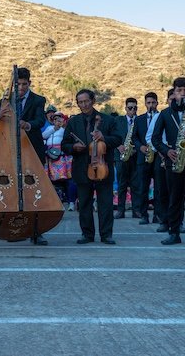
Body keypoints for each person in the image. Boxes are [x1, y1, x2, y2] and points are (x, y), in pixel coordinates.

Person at [0, 67, 49, 245]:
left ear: (30, 83)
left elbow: (40, 120)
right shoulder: (7, 99)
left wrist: (28, 124)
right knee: (12, 191)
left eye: (24, 84)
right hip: (11, 152)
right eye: (18, 84)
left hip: (32, 149)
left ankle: (37, 232)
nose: (21, 88)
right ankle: (14, 229)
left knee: (33, 192)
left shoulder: (38, 100)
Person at [61, 89, 122, 245]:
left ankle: (106, 234)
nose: (84, 105)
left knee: (106, 202)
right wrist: (74, 147)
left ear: (93, 101)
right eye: (80, 102)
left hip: (103, 166)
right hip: (82, 166)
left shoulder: (108, 120)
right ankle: (87, 234)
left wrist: (104, 138)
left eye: (86, 101)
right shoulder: (73, 122)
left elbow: (117, 139)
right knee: (85, 202)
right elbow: (64, 145)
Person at [153, 78, 185, 245]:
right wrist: (167, 151)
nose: (183, 93)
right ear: (173, 93)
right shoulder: (165, 113)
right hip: (174, 160)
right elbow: (155, 138)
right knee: (175, 198)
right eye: (179, 90)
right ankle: (174, 232)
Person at [132, 92, 167, 226]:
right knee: (142, 187)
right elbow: (134, 137)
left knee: (159, 187)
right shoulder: (139, 119)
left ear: (157, 103)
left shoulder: (161, 117)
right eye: (148, 103)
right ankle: (144, 215)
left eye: (153, 103)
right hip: (143, 156)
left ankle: (157, 215)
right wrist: (140, 147)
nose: (151, 105)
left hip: (158, 156)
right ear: (145, 104)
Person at [114, 98, 140, 219]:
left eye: (135, 108)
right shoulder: (118, 120)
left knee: (135, 185)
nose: (133, 110)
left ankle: (136, 210)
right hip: (121, 156)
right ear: (125, 108)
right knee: (122, 185)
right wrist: (118, 146)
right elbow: (113, 136)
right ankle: (120, 210)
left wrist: (136, 148)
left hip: (135, 156)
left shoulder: (139, 121)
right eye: (130, 108)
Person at [42, 112, 72, 204]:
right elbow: (43, 136)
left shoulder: (64, 129)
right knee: (51, 177)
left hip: (60, 154)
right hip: (50, 153)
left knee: (63, 176)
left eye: (59, 119)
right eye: (55, 119)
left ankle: (67, 197)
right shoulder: (49, 128)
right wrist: (54, 129)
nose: (57, 121)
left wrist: (62, 126)